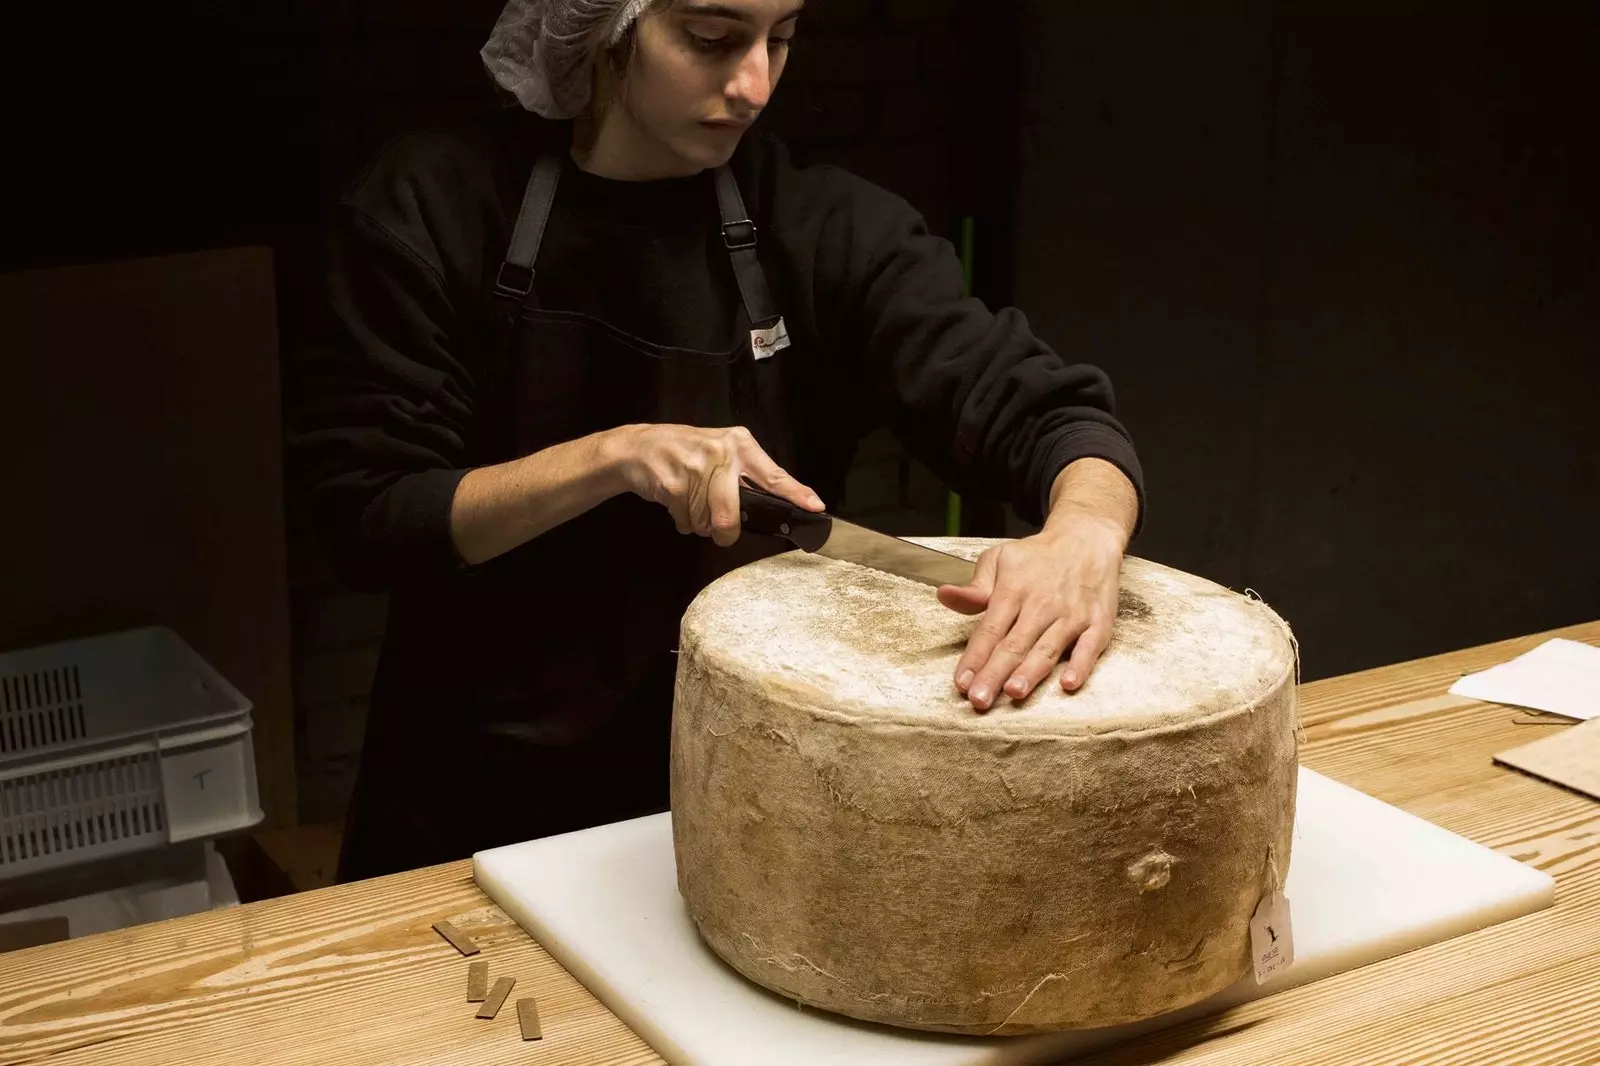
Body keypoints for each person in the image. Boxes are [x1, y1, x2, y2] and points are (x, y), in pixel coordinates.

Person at [289, 0, 1147, 883]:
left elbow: (1047, 411)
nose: (755, 85)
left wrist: (1083, 529)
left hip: (744, 796)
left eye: (781, 39)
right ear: (604, 27)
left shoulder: (823, 228)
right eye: (711, 40)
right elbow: (372, 513)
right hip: (471, 812)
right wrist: (612, 458)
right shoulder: (432, 204)